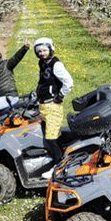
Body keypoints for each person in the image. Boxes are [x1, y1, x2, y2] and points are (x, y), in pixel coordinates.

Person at [33, 37, 74, 179]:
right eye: (39, 51)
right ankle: (55, 158)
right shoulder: (43, 63)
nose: (42, 53)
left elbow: (68, 82)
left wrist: (60, 96)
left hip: (52, 105)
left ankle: (59, 166)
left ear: (51, 49)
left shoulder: (56, 64)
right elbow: (43, 81)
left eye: (44, 50)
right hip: (43, 105)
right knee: (47, 135)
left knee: (51, 138)